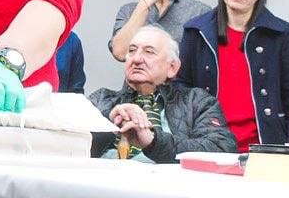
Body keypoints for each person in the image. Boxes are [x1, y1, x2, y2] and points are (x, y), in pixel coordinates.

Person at [177, 0, 289, 152]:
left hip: (266, 148)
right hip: (206, 145)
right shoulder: (195, 31)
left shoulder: (283, 34)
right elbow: (180, 89)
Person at [89, 26, 236, 163]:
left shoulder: (197, 102)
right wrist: (107, 123)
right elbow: (70, 144)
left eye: (149, 52)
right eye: (132, 50)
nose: (136, 59)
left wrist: (153, 141)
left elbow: (222, 150)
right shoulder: (100, 100)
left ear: (172, 67)